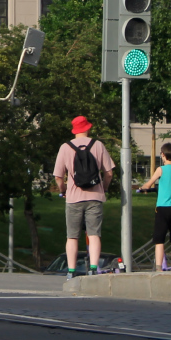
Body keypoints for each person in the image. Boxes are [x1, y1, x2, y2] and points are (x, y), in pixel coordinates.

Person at [53, 116, 115, 279]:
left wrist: (63, 189)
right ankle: (94, 268)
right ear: (87, 128)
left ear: (75, 130)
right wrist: (105, 188)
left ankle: (71, 271)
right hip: (95, 197)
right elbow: (109, 173)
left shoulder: (65, 148)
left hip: (73, 198)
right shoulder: (98, 145)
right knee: (94, 234)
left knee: (72, 236)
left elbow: (58, 176)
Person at [141, 142, 171, 271]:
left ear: (163, 155)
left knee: (159, 239)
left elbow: (149, 184)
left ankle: (158, 267)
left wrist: (143, 188)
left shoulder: (161, 169)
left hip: (163, 207)